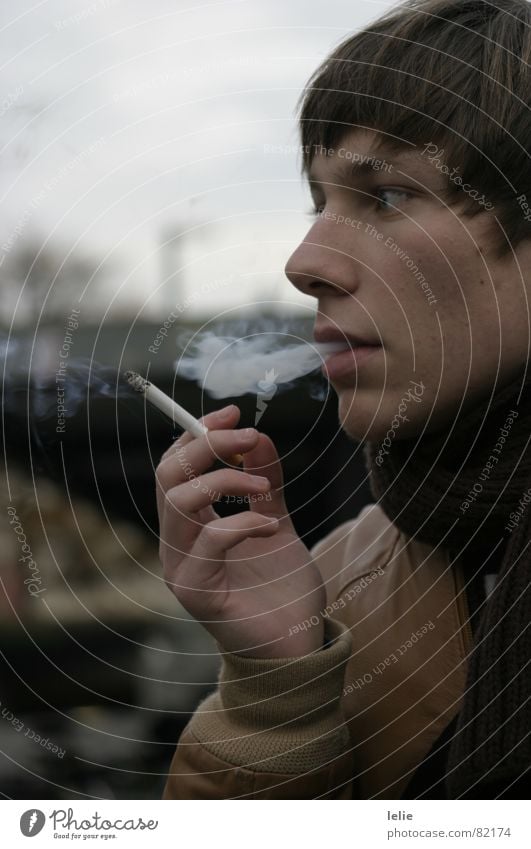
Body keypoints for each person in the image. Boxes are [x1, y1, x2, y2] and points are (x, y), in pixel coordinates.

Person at [158, 0, 531, 799]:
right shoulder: (336, 585)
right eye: (318, 204)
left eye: (387, 198)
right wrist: (276, 696)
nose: (305, 262)